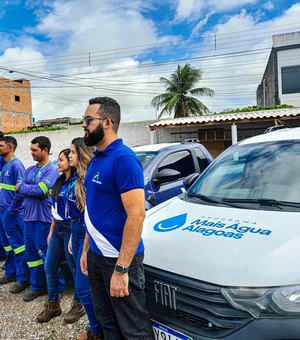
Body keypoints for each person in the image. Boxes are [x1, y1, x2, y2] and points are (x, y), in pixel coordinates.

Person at [81, 97, 154, 340]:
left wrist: (122, 269)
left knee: (134, 329)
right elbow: (94, 210)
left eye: (88, 120)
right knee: (108, 323)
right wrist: (85, 249)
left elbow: (136, 215)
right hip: (96, 256)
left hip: (119, 259)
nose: (84, 125)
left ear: (108, 122)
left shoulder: (124, 159)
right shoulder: (96, 158)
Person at [36, 148, 85, 323]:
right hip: (57, 229)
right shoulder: (59, 182)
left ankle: (78, 304)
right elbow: (54, 211)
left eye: (61, 160)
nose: (59, 163)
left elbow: (78, 210)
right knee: (49, 266)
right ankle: (53, 304)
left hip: (71, 229)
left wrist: (73, 232)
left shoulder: (77, 181)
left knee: (75, 270)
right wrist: (51, 231)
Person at [16, 136, 63, 302]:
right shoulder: (29, 169)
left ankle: (57, 287)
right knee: (32, 255)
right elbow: (25, 189)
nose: (32, 153)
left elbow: (41, 189)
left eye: (35, 150)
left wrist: (24, 188)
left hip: (43, 219)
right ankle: (37, 286)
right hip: (28, 218)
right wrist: (28, 188)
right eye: (31, 150)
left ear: (45, 150)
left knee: (47, 256)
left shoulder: (52, 170)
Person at [68, 137, 103, 340]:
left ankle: (97, 332)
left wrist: (84, 245)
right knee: (84, 286)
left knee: (83, 288)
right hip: (78, 231)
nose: (69, 155)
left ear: (81, 153)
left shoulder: (89, 177)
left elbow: (91, 214)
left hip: (89, 234)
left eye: (72, 152)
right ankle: (96, 328)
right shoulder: (76, 177)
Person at [0, 136, 29, 293]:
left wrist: (11, 210)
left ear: (10, 147)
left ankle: (22, 278)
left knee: (18, 246)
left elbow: (21, 191)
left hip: (13, 213)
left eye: (1, 145)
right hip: (3, 211)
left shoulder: (16, 165)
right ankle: (10, 272)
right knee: (7, 245)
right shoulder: (5, 165)